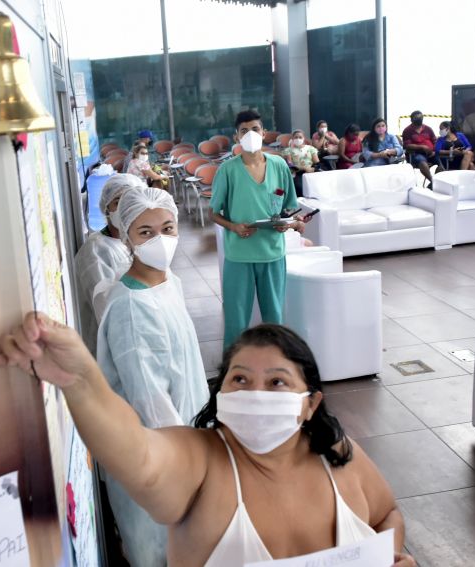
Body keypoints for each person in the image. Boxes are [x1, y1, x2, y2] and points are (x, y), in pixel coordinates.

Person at [0, 318, 417, 567]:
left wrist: (391, 556)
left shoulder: (339, 455)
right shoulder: (202, 462)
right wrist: (81, 381)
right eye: (240, 379)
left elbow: (388, 515)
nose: (256, 393)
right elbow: (139, 455)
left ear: (310, 404)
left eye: (277, 382)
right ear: (221, 396)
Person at [95, 186, 209, 567]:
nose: (161, 240)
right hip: (156, 460)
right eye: (146, 232)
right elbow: (151, 404)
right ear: (126, 234)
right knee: (158, 553)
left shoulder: (168, 282)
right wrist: (189, 468)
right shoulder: (131, 306)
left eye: (168, 228)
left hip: (187, 442)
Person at [210, 109, 303, 350]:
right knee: (236, 320)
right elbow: (213, 212)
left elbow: (289, 208)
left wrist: (288, 223)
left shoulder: (279, 166)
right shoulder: (228, 171)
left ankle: (276, 366)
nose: (250, 134)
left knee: (274, 318)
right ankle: (231, 370)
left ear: (264, 133)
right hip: (239, 255)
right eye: (244, 131)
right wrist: (233, 226)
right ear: (236, 137)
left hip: (272, 253)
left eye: (255, 129)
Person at [73, 173, 144, 354]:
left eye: (132, 199)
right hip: (113, 351)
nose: (125, 206)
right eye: (118, 200)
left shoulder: (135, 242)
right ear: (106, 208)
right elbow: (108, 314)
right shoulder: (96, 252)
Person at [402, 110, 441, 187]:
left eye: (420, 117)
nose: (419, 119)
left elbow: (434, 141)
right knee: (422, 161)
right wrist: (422, 147)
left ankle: (436, 182)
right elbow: (407, 146)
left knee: (441, 163)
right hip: (416, 154)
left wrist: (433, 151)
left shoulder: (428, 129)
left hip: (431, 153)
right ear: (411, 119)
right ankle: (433, 182)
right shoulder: (407, 130)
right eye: (416, 118)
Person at [281, 129, 320, 197]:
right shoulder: (289, 150)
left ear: (304, 138)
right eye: (296, 137)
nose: (298, 139)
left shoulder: (311, 149)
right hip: (297, 173)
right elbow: (290, 165)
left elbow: (317, 163)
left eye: (300, 137)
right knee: (300, 188)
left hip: (311, 172)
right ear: (292, 139)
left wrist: (313, 169)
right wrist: (304, 168)